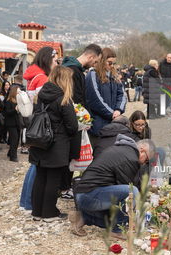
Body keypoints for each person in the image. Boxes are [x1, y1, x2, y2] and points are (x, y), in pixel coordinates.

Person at [73, 136, 156, 239]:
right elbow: (129, 195)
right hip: (90, 195)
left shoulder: (121, 149)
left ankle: (84, 218)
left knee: (116, 219)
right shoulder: (131, 158)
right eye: (146, 160)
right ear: (142, 151)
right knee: (132, 191)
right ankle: (116, 232)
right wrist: (132, 219)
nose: (144, 164)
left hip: (83, 195)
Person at [30, 65, 78, 223]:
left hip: (39, 141)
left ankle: (37, 212)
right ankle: (49, 212)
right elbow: (72, 126)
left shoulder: (39, 96)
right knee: (53, 179)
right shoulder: (63, 99)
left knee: (40, 176)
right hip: (57, 144)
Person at [61, 43, 102, 200]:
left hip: (72, 118)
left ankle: (65, 186)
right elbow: (77, 98)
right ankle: (65, 188)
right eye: (96, 61)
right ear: (90, 56)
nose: (95, 65)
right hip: (73, 120)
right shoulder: (74, 71)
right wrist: (86, 117)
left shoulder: (70, 67)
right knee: (70, 154)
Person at [19, 46, 58, 213]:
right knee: (37, 167)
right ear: (48, 59)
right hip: (41, 125)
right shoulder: (42, 79)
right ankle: (29, 204)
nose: (57, 64)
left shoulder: (32, 76)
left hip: (32, 122)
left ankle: (24, 202)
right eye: (56, 61)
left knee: (33, 165)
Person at [85, 47, 126, 147]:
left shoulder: (114, 76)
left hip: (112, 125)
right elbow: (95, 99)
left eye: (114, 63)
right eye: (110, 62)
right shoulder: (93, 75)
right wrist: (112, 113)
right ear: (102, 60)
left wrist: (118, 109)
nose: (112, 66)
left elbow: (122, 95)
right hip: (97, 127)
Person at [4, 85, 20, 162]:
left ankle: (10, 153)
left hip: (17, 122)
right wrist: (15, 109)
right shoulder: (9, 101)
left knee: (17, 139)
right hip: (11, 123)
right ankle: (13, 156)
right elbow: (7, 112)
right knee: (14, 139)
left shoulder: (18, 100)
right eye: (18, 91)